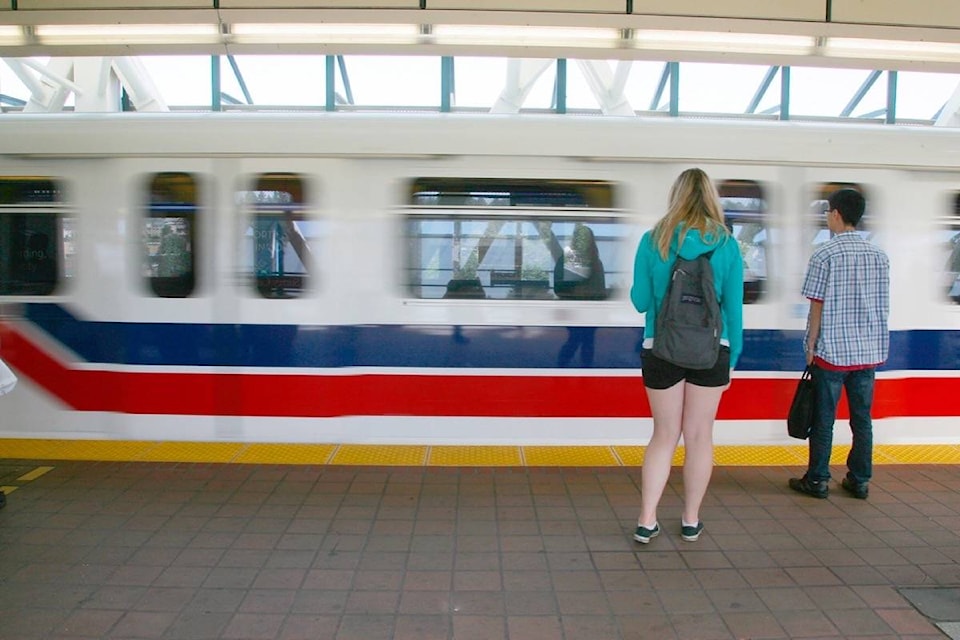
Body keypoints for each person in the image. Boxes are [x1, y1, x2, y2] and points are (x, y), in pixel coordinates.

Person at [630, 168, 744, 543]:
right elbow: (734, 310)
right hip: (712, 350)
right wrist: (733, 359)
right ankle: (691, 520)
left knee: (664, 435)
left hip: (661, 347)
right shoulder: (726, 244)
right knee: (699, 436)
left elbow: (640, 302)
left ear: (675, 195)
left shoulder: (654, 240)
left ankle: (647, 520)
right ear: (710, 196)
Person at [789, 189, 889, 500]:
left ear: (835, 214)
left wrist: (810, 344)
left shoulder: (824, 255)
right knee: (862, 420)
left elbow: (816, 306)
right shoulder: (880, 256)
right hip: (868, 353)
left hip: (832, 353)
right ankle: (859, 480)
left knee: (824, 420)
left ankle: (818, 479)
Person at [556, 224, 606, 367]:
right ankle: (585, 368)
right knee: (587, 341)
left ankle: (562, 365)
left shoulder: (568, 259)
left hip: (573, 308)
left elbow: (561, 288)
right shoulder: (596, 261)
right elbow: (600, 288)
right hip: (592, 309)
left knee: (576, 340)